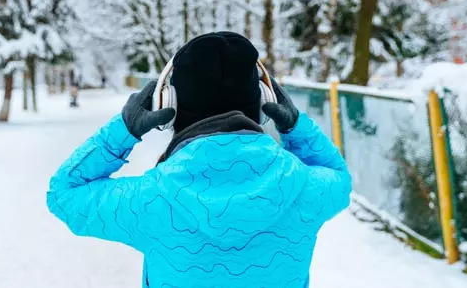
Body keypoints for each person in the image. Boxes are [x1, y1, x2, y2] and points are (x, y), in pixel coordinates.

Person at [46, 32, 352, 287]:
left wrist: (123, 130)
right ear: (265, 101)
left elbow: (64, 193)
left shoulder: (151, 198)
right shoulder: (304, 188)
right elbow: (338, 176)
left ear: (170, 103)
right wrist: (297, 127)